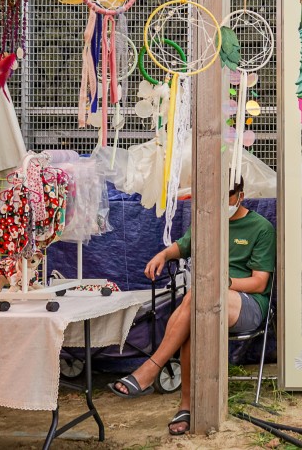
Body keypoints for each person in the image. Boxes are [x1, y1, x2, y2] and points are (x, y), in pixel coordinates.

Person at [108, 179, 276, 436]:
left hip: (247, 304)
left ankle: (152, 368)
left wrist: (224, 283)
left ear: (240, 195)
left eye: (227, 197)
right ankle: (186, 408)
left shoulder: (261, 228)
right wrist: (163, 256)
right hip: (205, 301)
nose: (221, 204)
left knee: (199, 298)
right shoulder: (207, 220)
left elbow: (259, 281)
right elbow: (182, 246)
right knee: (197, 312)